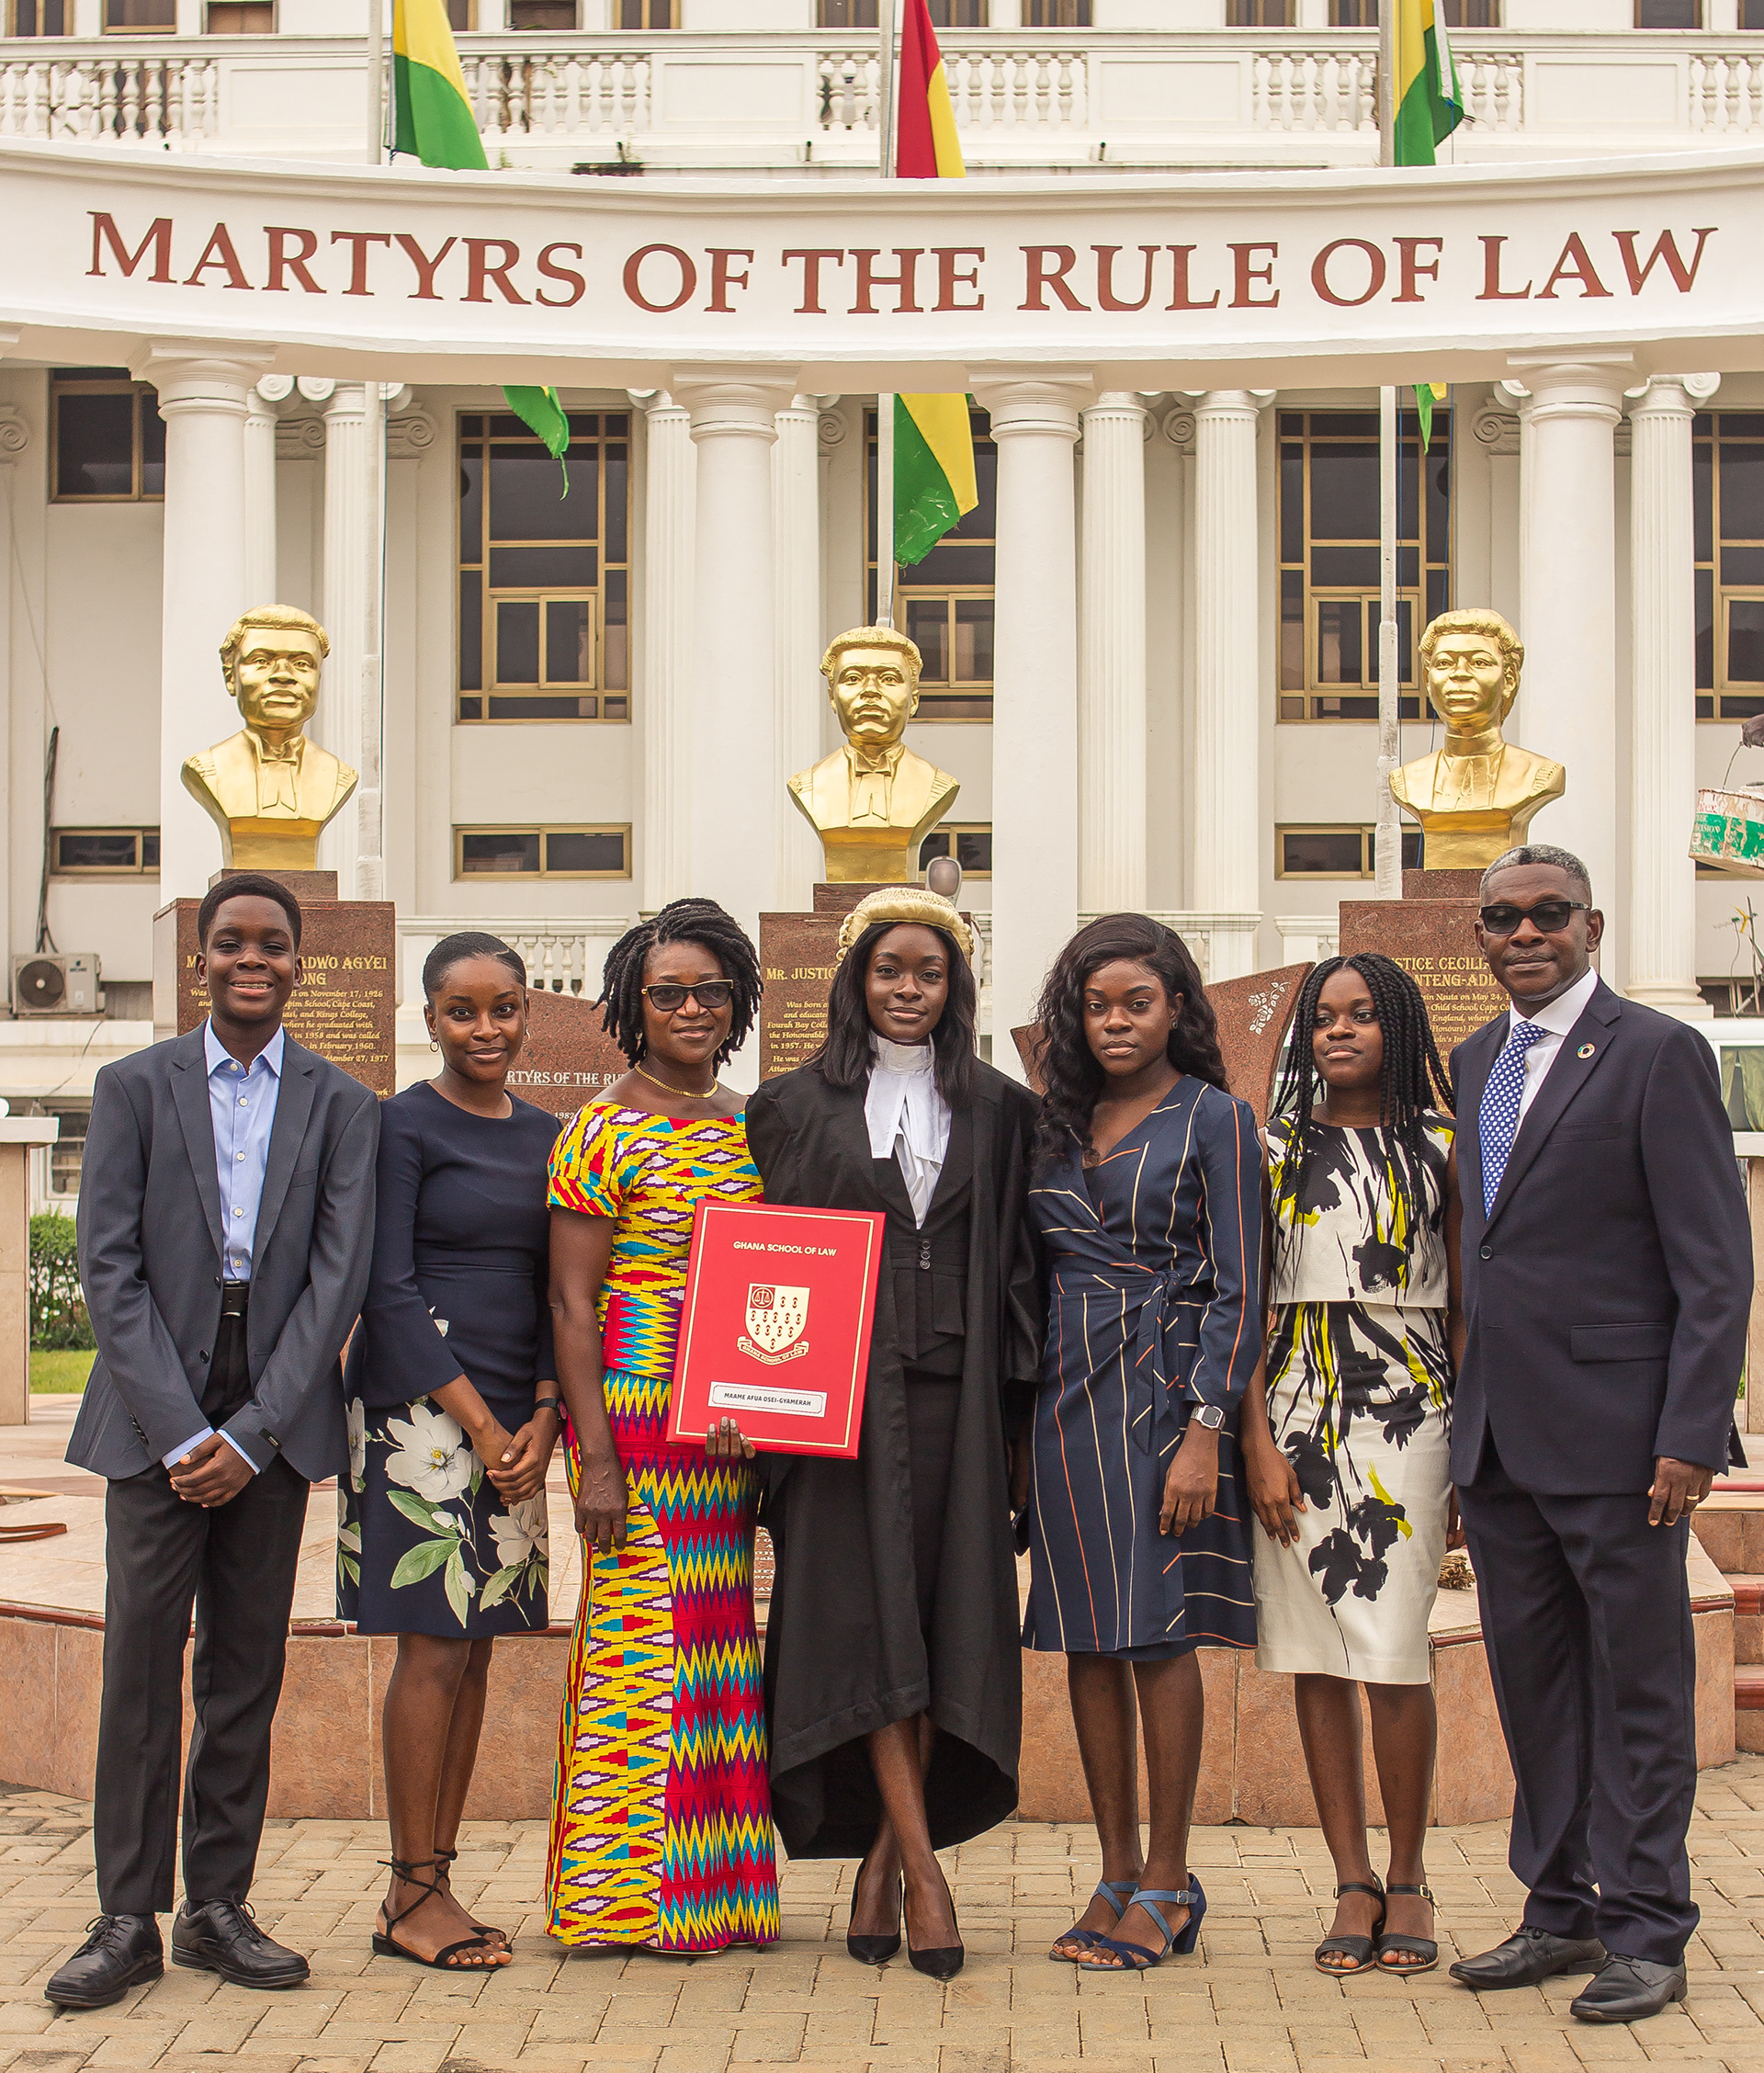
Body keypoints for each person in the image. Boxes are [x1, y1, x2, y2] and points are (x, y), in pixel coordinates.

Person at [50, 875, 379, 2011]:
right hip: (153, 1418)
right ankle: (123, 1919)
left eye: (272, 944)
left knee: (244, 1671)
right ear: (201, 961)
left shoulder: (343, 1104)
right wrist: (183, 1430)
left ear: (298, 964)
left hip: (272, 1421)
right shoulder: (134, 1087)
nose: (252, 959)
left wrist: (250, 1434)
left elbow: (337, 1281)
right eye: (231, 942)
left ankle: (216, 1908)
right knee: (141, 1668)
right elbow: (108, 1266)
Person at [1448, 844, 1751, 2024]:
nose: (1525, 933)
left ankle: (1647, 1927)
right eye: (1503, 918)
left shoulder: (1657, 1052)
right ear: (1481, 934)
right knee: (1536, 1689)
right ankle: (1559, 1910)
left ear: (1593, 925)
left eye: (1549, 914)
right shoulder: (1477, 1059)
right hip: (1502, 1443)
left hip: (1625, 1446)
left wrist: (1691, 1433)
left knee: (1638, 1692)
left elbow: (1715, 1267)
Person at [745, 885, 1041, 1982]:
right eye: (888, 970)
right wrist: (752, 1403)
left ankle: (884, 1863)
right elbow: (762, 1263)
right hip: (835, 1411)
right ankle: (924, 1872)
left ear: (955, 987)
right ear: (854, 980)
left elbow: (1022, 1269)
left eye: (928, 972)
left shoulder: (1003, 1110)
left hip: (958, 1402)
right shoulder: (788, 1106)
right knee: (861, 1627)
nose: (907, 988)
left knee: (933, 1623)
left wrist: (1018, 1429)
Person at [1024, 914, 1261, 1975]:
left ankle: (1169, 1877)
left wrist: (1207, 1430)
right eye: (1097, 1005)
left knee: (1158, 1636)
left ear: (1177, 1009)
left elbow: (1242, 1288)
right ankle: (1115, 1871)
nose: (1116, 1021)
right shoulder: (1052, 1122)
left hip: (1165, 1399)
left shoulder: (1215, 1117)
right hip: (1063, 1397)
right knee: (1086, 1637)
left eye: (1138, 1002)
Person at [544, 899, 779, 1954]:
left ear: (738, 1002)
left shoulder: (752, 1121)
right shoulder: (601, 1128)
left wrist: (764, 1400)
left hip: (728, 1424)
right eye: (668, 993)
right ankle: (617, 1901)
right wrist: (593, 1458)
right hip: (636, 1422)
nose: (692, 1009)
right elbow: (571, 1304)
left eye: (710, 991)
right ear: (632, 1008)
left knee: (716, 1642)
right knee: (640, 1646)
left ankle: (714, 1897)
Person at [339, 932, 562, 1970]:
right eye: (462, 1010)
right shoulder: (400, 1125)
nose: (486, 1028)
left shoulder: (552, 1134)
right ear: (428, 1018)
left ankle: (435, 1881)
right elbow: (385, 1290)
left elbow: (565, 1289)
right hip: (423, 1422)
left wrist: (547, 1417)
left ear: (528, 1013)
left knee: (476, 1651)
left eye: (503, 1008)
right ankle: (408, 1892)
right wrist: (480, 1425)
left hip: (519, 1418)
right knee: (431, 1647)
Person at [1239, 953, 1462, 1977]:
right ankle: (1351, 1880)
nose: (1339, 1030)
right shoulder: (1270, 1146)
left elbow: (1467, 1304)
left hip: (1410, 1410)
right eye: (1324, 1016)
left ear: (1397, 1028)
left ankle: (1409, 1876)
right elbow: (1242, 1299)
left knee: (1396, 1651)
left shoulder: (1443, 1146)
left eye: (1363, 1014)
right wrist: (1253, 1440)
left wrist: (1472, 1448)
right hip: (1292, 1413)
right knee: (1314, 1653)